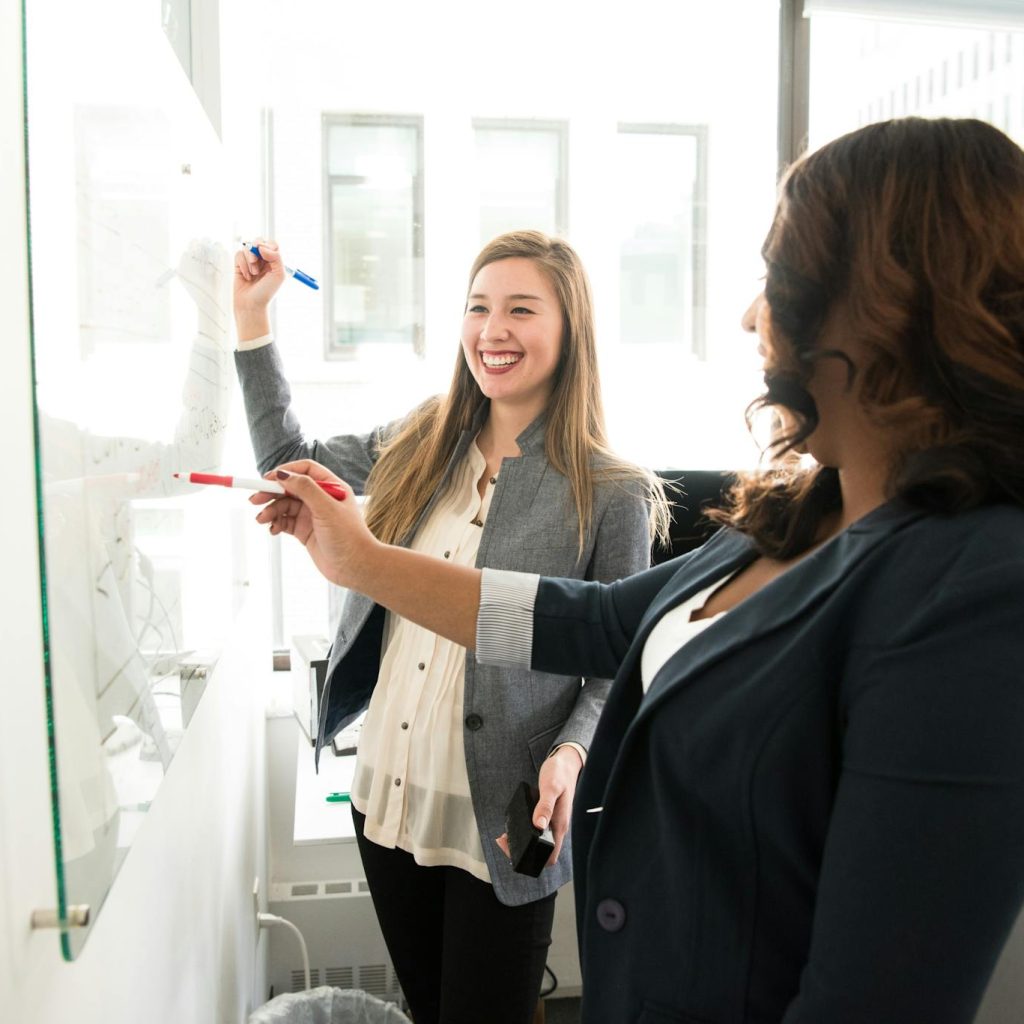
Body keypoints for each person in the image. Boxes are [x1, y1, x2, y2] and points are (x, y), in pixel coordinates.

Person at [249, 117, 1024, 1024]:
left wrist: (567, 749)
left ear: (886, 303)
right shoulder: (789, 518)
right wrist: (366, 561)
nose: (748, 315)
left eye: (777, 279)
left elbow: (874, 997)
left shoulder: (978, 590)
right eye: (478, 306)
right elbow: (594, 621)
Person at [232, 230, 669, 1024]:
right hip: (389, 793)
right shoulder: (423, 438)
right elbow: (289, 459)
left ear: (570, 329)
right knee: (431, 1007)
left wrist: (572, 754)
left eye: (520, 310)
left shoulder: (612, 491)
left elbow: (619, 659)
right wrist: (252, 321)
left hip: (505, 813)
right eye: (478, 308)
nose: (491, 331)